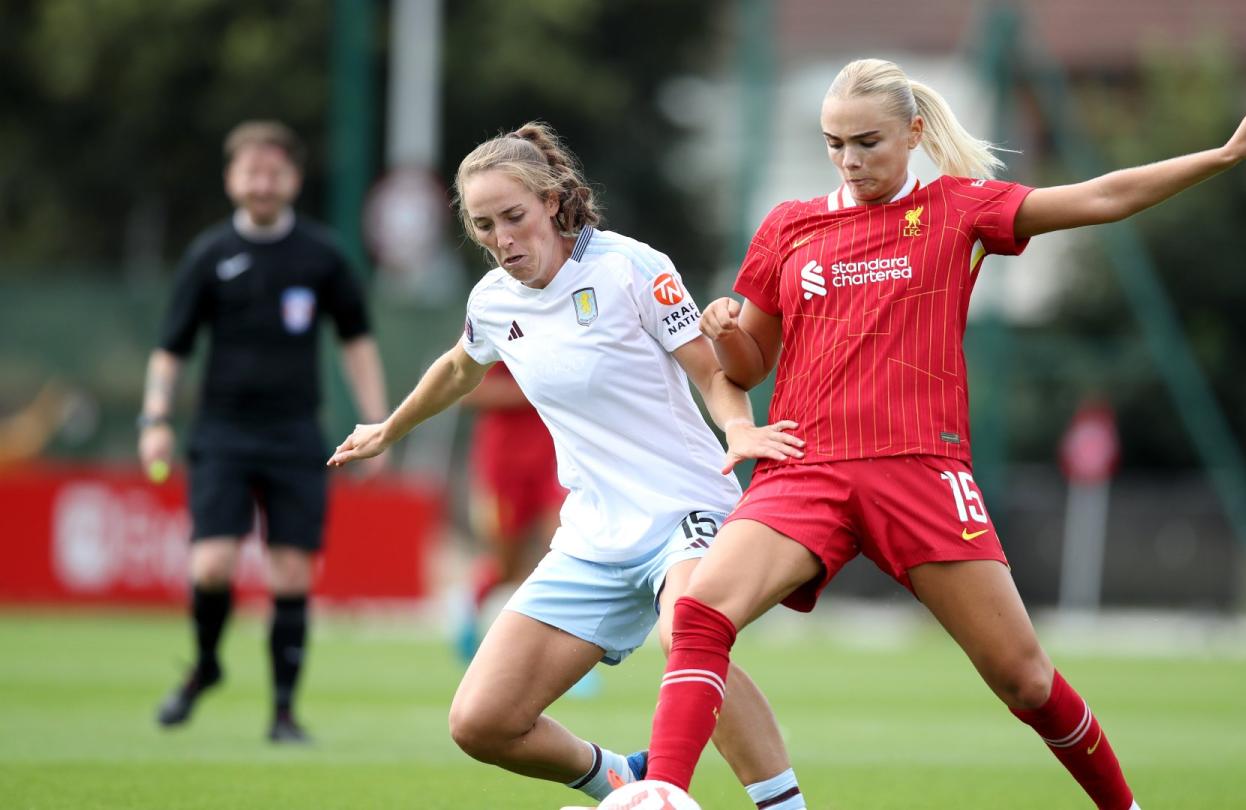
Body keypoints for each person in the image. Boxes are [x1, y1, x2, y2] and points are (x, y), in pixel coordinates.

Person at [640, 58, 1246, 810]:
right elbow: (750, 360)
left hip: (921, 473)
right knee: (698, 615)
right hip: (806, 470)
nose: (850, 161)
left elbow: (1101, 195)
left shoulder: (960, 209)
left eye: (867, 141)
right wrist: (726, 330)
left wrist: (1219, 156)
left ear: (914, 132)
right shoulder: (790, 226)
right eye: (834, 144)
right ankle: (660, 794)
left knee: (1023, 678)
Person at [326, 122, 808, 809]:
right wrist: (389, 428)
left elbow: (711, 373)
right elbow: (460, 367)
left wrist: (739, 429)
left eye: (514, 217)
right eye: (485, 225)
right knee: (481, 722)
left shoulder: (631, 268)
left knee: (689, 630)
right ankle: (618, 777)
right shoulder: (493, 301)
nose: (502, 239)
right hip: (594, 535)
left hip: (686, 510)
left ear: (553, 202)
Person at [139, 120, 389, 743]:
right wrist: (155, 420)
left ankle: (282, 713)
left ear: (293, 179)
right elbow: (169, 349)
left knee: (291, 575)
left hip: (295, 435)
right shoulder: (208, 255)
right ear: (231, 179)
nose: (262, 181)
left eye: (274, 170)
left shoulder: (322, 255)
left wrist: (379, 424)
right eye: (251, 170)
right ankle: (206, 666)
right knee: (213, 566)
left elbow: (357, 341)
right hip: (222, 433)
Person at [453, 361, 565, 662]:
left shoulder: (561, 324)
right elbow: (464, 389)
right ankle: (468, 607)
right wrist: (530, 390)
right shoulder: (498, 322)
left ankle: (565, 653)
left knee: (563, 550)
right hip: (502, 468)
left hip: (550, 464)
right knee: (507, 566)